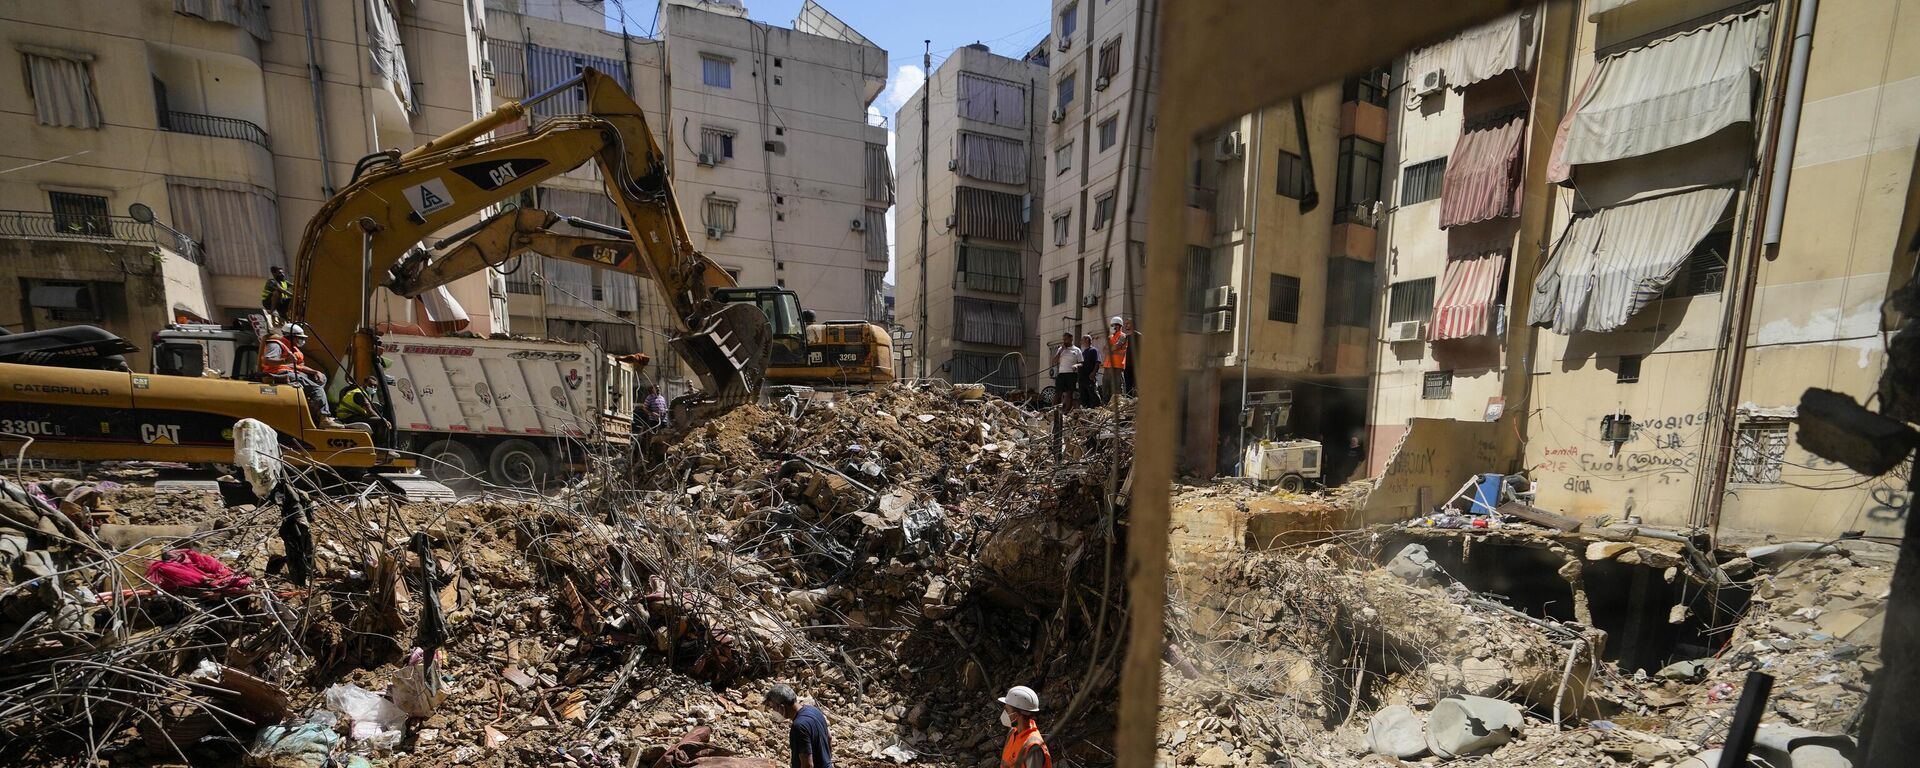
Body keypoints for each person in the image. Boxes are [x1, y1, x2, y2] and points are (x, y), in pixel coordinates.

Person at [261, 324, 342, 428]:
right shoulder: (276, 344)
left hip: (292, 372)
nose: (302, 341)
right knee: (316, 389)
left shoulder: (294, 349)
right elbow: (267, 360)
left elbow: (299, 366)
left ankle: (313, 407)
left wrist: (315, 372)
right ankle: (324, 418)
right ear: (290, 336)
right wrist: (285, 360)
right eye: (300, 338)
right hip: (279, 373)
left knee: (321, 378)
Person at [765, 684, 832, 768]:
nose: (773, 711)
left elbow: (808, 765)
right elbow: (829, 737)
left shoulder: (799, 726)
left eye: (773, 707)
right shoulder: (814, 710)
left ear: (781, 707)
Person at [997, 686, 1050, 768]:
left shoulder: (1033, 747)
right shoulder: (1013, 732)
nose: (1004, 713)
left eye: (1007, 710)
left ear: (1016, 715)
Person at [1050, 332, 1081, 412]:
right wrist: (1061, 351)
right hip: (1061, 374)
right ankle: (1053, 410)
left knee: (1069, 393)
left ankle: (1066, 411)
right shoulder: (1060, 349)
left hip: (1071, 374)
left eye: (1066, 339)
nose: (1064, 341)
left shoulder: (1077, 350)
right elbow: (1054, 361)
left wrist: (1076, 365)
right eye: (1063, 339)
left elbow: (1081, 363)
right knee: (1058, 392)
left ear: (1071, 339)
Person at [1078, 333, 1103, 407]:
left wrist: (1093, 373)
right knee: (1083, 395)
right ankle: (1087, 409)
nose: (1081, 342)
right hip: (1082, 377)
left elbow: (1097, 362)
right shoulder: (1083, 352)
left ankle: (1098, 407)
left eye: (1082, 340)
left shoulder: (1094, 350)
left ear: (1087, 340)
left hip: (1089, 377)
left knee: (1093, 393)